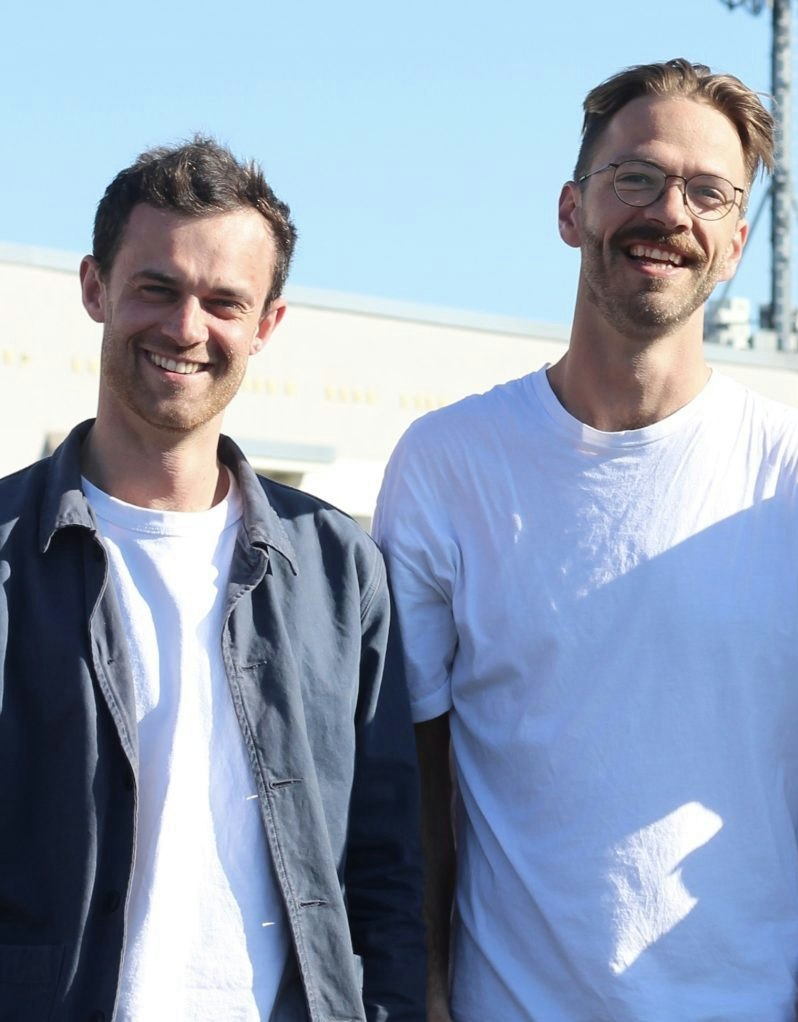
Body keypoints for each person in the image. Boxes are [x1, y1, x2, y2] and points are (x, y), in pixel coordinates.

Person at [374, 58, 798, 1021]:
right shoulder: (446, 463)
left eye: (708, 192)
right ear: (570, 209)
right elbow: (410, 777)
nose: (671, 212)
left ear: (736, 242)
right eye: (636, 177)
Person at [0, 138, 426, 1020]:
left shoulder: (338, 569)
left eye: (223, 301)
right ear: (95, 289)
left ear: (266, 324)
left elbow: (385, 866)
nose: (186, 329)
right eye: (157, 287)